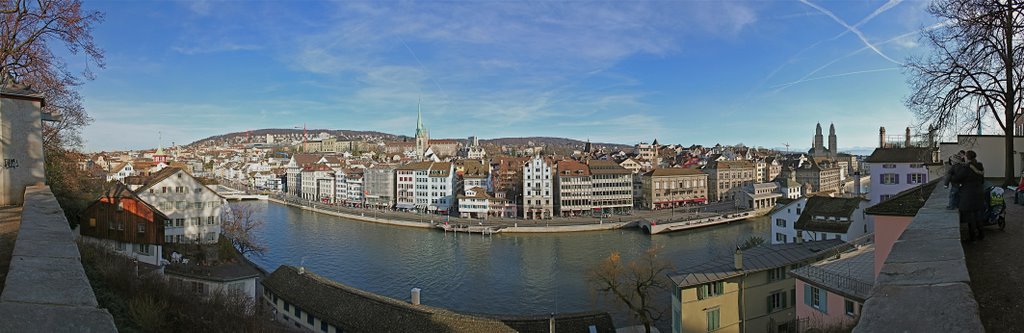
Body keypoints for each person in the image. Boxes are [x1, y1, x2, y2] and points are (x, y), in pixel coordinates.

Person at [951, 150, 986, 241]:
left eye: (965, 156)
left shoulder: (966, 168)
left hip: (968, 195)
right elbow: (982, 180)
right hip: (979, 193)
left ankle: (972, 237)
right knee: (978, 215)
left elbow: (956, 179)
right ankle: (981, 234)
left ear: (967, 157)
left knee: (970, 217)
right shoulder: (980, 165)